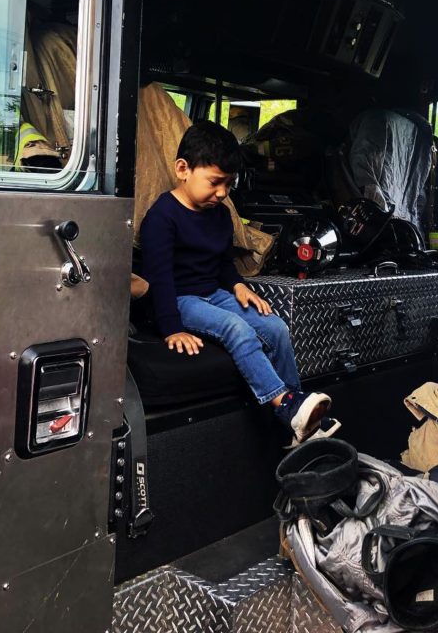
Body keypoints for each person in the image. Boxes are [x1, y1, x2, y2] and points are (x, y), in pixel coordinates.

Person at [140, 122, 338, 444]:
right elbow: (158, 278)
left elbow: (222, 261)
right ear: (183, 170)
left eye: (228, 184)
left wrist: (237, 285)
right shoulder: (162, 216)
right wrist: (171, 328)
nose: (222, 193)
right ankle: (286, 407)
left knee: (276, 327)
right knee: (238, 329)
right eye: (214, 182)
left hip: (213, 293)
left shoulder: (219, 214)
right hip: (178, 299)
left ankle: (298, 418)